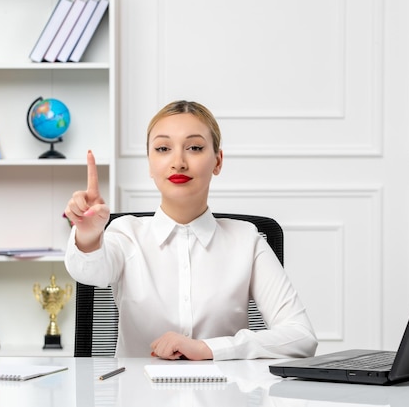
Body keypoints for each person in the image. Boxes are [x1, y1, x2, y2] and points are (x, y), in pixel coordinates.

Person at [64, 100, 317, 360]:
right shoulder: (125, 234)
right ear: (150, 164)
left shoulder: (247, 240)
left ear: (217, 161)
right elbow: (89, 272)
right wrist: (88, 235)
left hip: (225, 396)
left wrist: (208, 349)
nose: (178, 162)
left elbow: (301, 336)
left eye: (195, 147)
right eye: (163, 148)